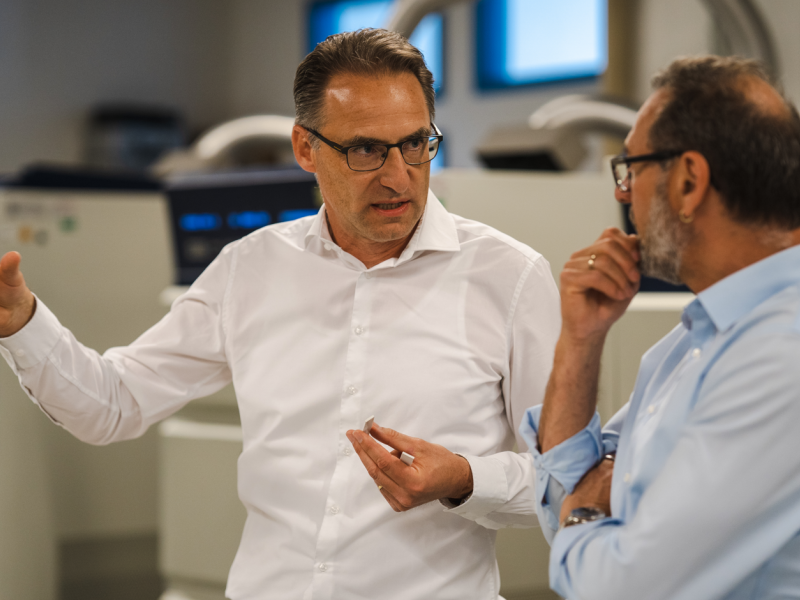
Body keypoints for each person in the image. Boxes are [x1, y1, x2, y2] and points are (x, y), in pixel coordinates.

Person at [0, 29, 561, 599]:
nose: (398, 176)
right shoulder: (250, 268)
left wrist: (466, 479)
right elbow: (113, 404)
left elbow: (564, 478)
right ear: (305, 148)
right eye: (365, 150)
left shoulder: (509, 278)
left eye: (415, 144)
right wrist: (20, 323)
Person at [521, 55, 800, 600]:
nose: (623, 193)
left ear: (689, 181)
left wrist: (586, 515)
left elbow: (622, 586)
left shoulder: (780, 353)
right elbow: (564, 496)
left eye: (632, 168)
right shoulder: (694, 340)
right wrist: (580, 339)